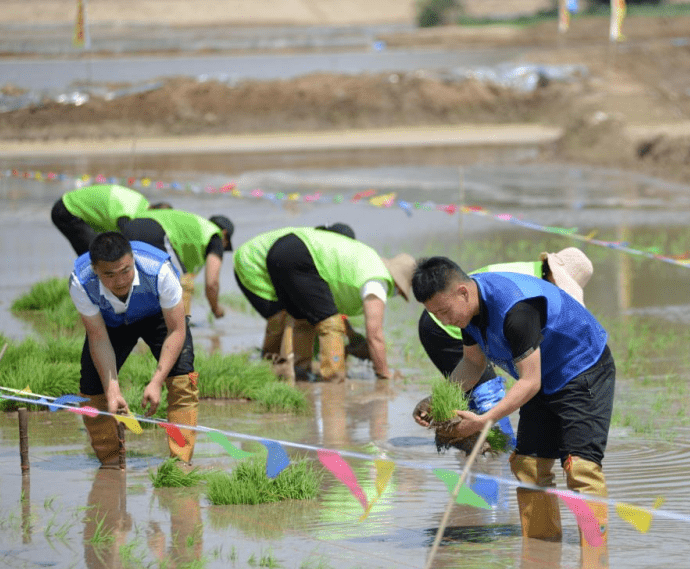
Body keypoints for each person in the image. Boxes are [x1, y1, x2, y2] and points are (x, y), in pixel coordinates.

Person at [411, 256, 615, 545]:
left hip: (582, 370)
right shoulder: (467, 312)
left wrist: (483, 420)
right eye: (436, 315)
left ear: (463, 292)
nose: (445, 320)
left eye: (445, 311)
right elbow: (472, 363)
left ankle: (596, 556)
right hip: (544, 376)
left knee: (580, 467)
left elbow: (530, 382)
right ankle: (541, 555)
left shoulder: (515, 310)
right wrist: (435, 399)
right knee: (528, 467)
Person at [417, 247, 596, 451]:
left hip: (449, 313)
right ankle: (498, 451)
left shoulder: (529, 277)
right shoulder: (528, 291)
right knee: (488, 394)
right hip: (448, 319)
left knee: (482, 393)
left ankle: (482, 448)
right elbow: (482, 363)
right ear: (555, 279)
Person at [70, 232, 198, 467]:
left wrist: (157, 381)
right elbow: (97, 338)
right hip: (111, 323)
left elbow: (177, 331)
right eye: (109, 274)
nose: (120, 281)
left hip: (159, 317)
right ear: (95, 269)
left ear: (132, 260)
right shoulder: (81, 281)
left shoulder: (158, 269)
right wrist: (112, 389)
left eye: (126, 270)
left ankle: (180, 464)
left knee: (182, 378)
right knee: (92, 387)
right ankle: (110, 464)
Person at [233, 226, 415, 383]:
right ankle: (333, 380)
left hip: (279, 252)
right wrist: (384, 374)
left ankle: (301, 374)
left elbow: (323, 305)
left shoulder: (367, 261)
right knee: (330, 325)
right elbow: (374, 334)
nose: (396, 294)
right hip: (299, 254)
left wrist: (353, 338)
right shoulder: (377, 280)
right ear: (398, 283)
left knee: (302, 318)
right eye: (399, 292)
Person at [117, 209, 234, 317]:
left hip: (130, 227)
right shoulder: (215, 236)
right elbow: (212, 283)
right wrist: (216, 309)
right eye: (225, 246)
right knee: (183, 284)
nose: (223, 249)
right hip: (156, 230)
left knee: (138, 284)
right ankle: (182, 331)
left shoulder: (195, 228)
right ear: (224, 234)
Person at [51, 183, 170, 255]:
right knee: (95, 255)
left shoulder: (142, 203)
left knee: (105, 253)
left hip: (76, 211)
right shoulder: (130, 214)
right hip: (68, 210)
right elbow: (130, 242)